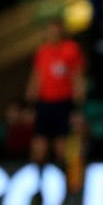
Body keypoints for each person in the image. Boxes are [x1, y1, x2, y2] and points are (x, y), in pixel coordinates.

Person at [26, 17, 86, 168]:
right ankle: (38, 182)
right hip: (44, 103)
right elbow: (36, 77)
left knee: (62, 148)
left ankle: (65, 182)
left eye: (56, 30)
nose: (53, 33)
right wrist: (30, 103)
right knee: (39, 148)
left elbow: (77, 76)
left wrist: (78, 106)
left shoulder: (71, 48)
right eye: (50, 30)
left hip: (64, 103)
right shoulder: (42, 51)